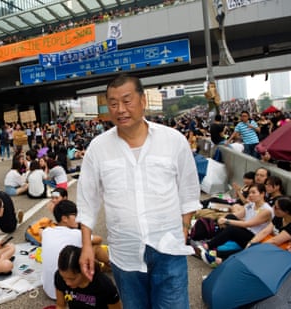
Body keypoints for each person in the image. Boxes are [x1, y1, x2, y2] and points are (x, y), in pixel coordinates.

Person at [76, 74, 201, 308]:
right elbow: (87, 200)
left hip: (169, 249)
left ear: (143, 101)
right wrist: (86, 246)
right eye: (113, 103)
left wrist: (183, 230)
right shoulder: (98, 148)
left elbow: (189, 191)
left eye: (127, 100)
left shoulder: (173, 141)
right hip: (125, 255)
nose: (120, 109)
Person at [42, 200, 110, 300]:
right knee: (94, 247)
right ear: (64, 218)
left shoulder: (46, 232)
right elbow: (99, 239)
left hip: (49, 289)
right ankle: (109, 264)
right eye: (75, 215)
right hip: (69, 289)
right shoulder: (77, 234)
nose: (79, 219)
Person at [199, 184, 274, 266]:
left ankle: (208, 246)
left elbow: (248, 224)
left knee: (232, 229)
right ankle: (212, 242)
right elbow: (237, 215)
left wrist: (227, 221)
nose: (250, 195)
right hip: (246, 231)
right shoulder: (251, 205)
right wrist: (224, 218)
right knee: (230, 217)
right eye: (249, 193)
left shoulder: (266, 210)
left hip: (253, 236)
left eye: (253, 192)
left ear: (262, 194)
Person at [55, 245, 121, 309]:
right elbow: (60, 305)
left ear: (84, 271)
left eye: (72, 279)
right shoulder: (59, 277)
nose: (67, 283)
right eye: (64, 278)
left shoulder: (104, 285)